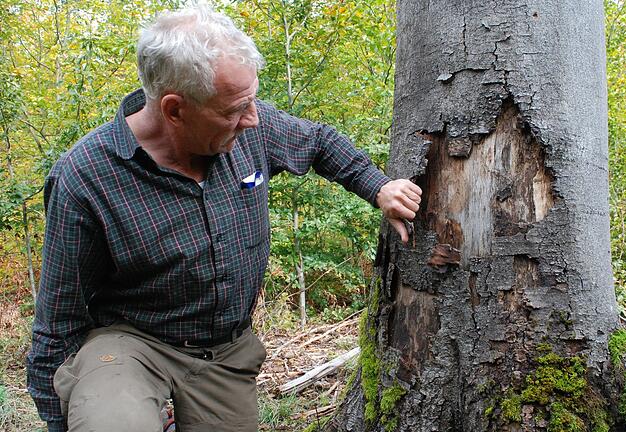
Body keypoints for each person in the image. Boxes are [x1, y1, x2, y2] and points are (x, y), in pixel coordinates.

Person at [26, 5, 421, 431]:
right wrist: (58, 419)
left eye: (252, 101)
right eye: (235, 109)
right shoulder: (87, 177)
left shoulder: (250, 124)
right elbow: (58, 322)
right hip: (131, 343)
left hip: (224, 351)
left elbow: (318, 142)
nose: (252, 119)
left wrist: (377, 188)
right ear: (175, 110)